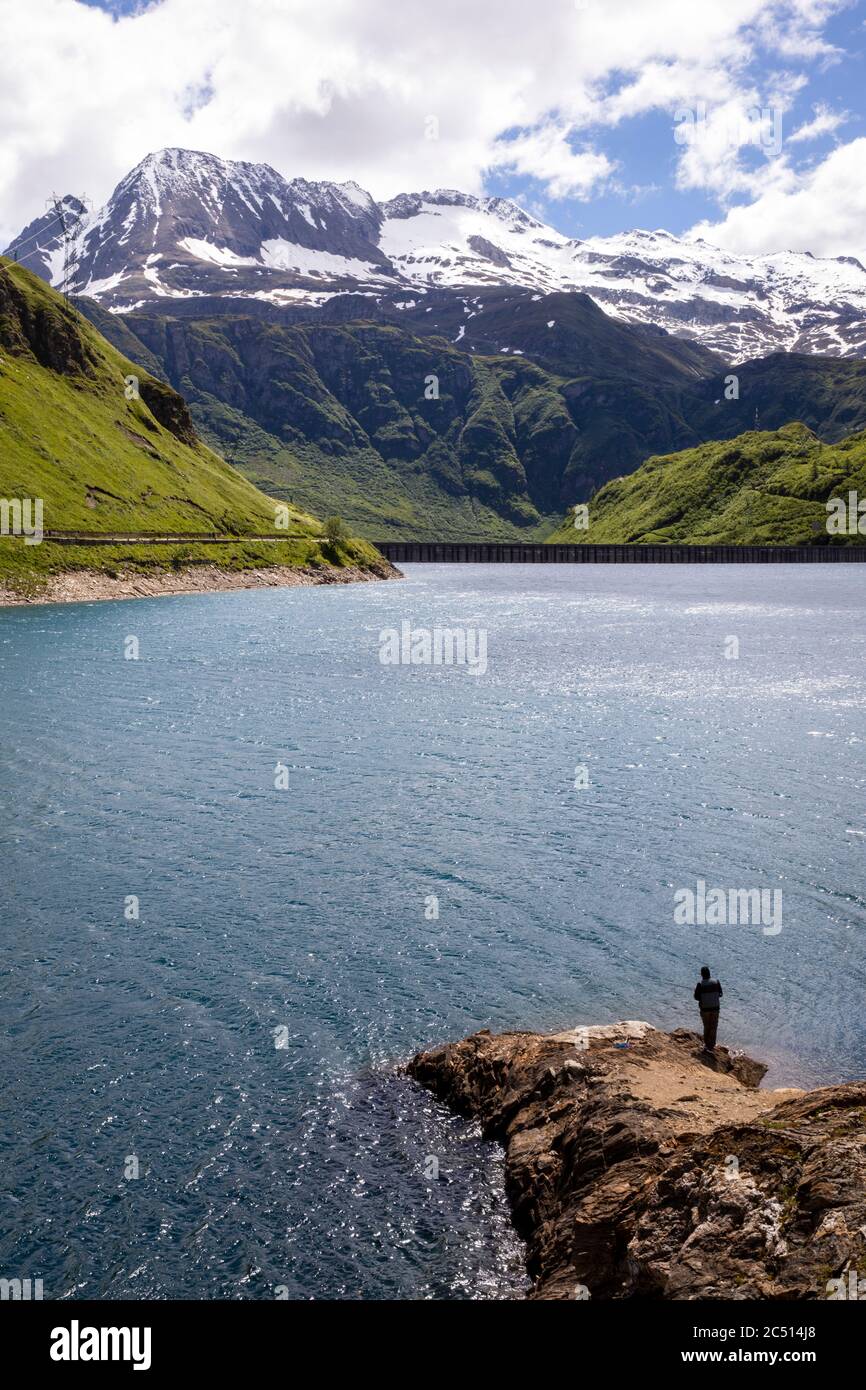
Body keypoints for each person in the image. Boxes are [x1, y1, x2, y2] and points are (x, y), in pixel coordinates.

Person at [694, 966, 723, 1051]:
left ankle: (706, 1045)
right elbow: (721, 994)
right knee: (714, 1027)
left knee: (707, 1026)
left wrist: (703, 997)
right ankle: (711, 1046)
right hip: (715, 1008)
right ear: (709, 973)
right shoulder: (716, 982)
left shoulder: (700, 984)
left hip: (705, 1009)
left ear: (701, 974)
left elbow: (696, 997)